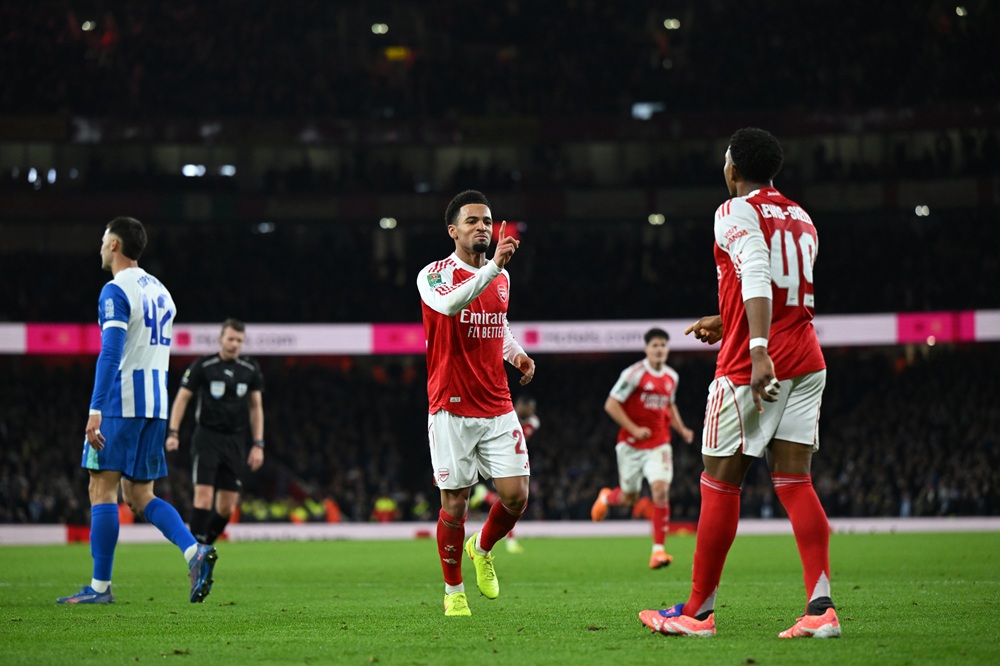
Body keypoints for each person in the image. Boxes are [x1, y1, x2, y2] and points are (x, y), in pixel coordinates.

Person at [639, 128, 840, 638]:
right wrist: (727, 319)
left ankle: (697, 613)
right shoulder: (802, 216)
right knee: (795, 482)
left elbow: (754, 272)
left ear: (732, 170)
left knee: (719, 483)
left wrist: (754, 348)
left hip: (753, 365)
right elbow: (784, 294)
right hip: (807, 358)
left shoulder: (732, 211)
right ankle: (821, 610)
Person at [58, 216, 216, 605]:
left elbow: (112, 352)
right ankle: (194, 552)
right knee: (140, 495)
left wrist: (95, 408)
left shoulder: (115, 290)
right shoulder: (163, 292)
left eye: (102, 240)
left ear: (114, 243)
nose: (99, 246)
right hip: (155, 405)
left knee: (101, 488)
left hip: (121, 402)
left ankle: (99, 588)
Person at [417, 189, 536, 617]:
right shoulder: (433, 275)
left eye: (487, 221)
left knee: (517, 496)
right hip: (450, 406)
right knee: (455, 503)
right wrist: (494, 269)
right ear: (453, 231)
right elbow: (451, 305)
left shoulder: (501, 278)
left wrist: (516, 353)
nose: (482, 227)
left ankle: (481, 547)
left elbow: (498, 325)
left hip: (498, 404)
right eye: (472, 221)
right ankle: (453, 592)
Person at [591, 328, 694, 569]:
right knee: (629, 498)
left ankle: (658, 551)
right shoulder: (634, 374)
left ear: (667, 349)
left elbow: (670, 406)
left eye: (663, 345)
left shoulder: (671, 377)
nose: (659, 349)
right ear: (646, 349)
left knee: (660, 490)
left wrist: (682, 429)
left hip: (659, 443)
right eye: (655, 345)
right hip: (631, 445)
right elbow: (611, 404)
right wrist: (635, 429)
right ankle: (607, 497)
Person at [165, 318, 265, 545]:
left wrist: (258, 444)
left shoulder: (250, 369)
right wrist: (173, 432)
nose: (234, 344)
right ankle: (196, 555)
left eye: (239, 340)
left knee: (227, 507)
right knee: (204, 497)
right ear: (221, 339)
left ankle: (204, 546)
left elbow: (256, 407)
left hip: (235, 441)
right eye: (230, 339)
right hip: (207, 439)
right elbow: (182, 399)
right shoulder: (204, 365)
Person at [469, 394, 540, 554]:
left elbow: (520, 436)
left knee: (516, 502)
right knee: (508, 502)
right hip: (500, 460)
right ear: (521, 405)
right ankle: (510, 541)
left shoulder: (532, 421)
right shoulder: (506, 415)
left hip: (517, 460)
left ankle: (484, 495)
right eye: (530, 408)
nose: (532, 411)